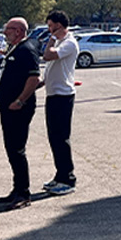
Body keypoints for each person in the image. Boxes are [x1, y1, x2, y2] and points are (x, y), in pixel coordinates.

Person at [0, 17, 40, 210]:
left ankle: (24, 193)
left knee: (17, 149)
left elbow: (34, 78)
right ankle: (17, 188)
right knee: (11, 149)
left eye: (8, 29)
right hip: (7, 106)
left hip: (18, 108)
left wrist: (20, 100)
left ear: (19, 31)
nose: (4, 33)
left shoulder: (26, 49)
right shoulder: (14, 48)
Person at [39, 10, 78, 195]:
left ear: (59, 26)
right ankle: (59, 175)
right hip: (52, 94)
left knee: (61, 138)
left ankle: (68, 178)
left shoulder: (68, 43)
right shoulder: (61, 42)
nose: (49, 30)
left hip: (63, 96)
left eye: (51, 27)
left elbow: (48, 56)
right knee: (53, 137)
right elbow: (49, 70)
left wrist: (52, 39)